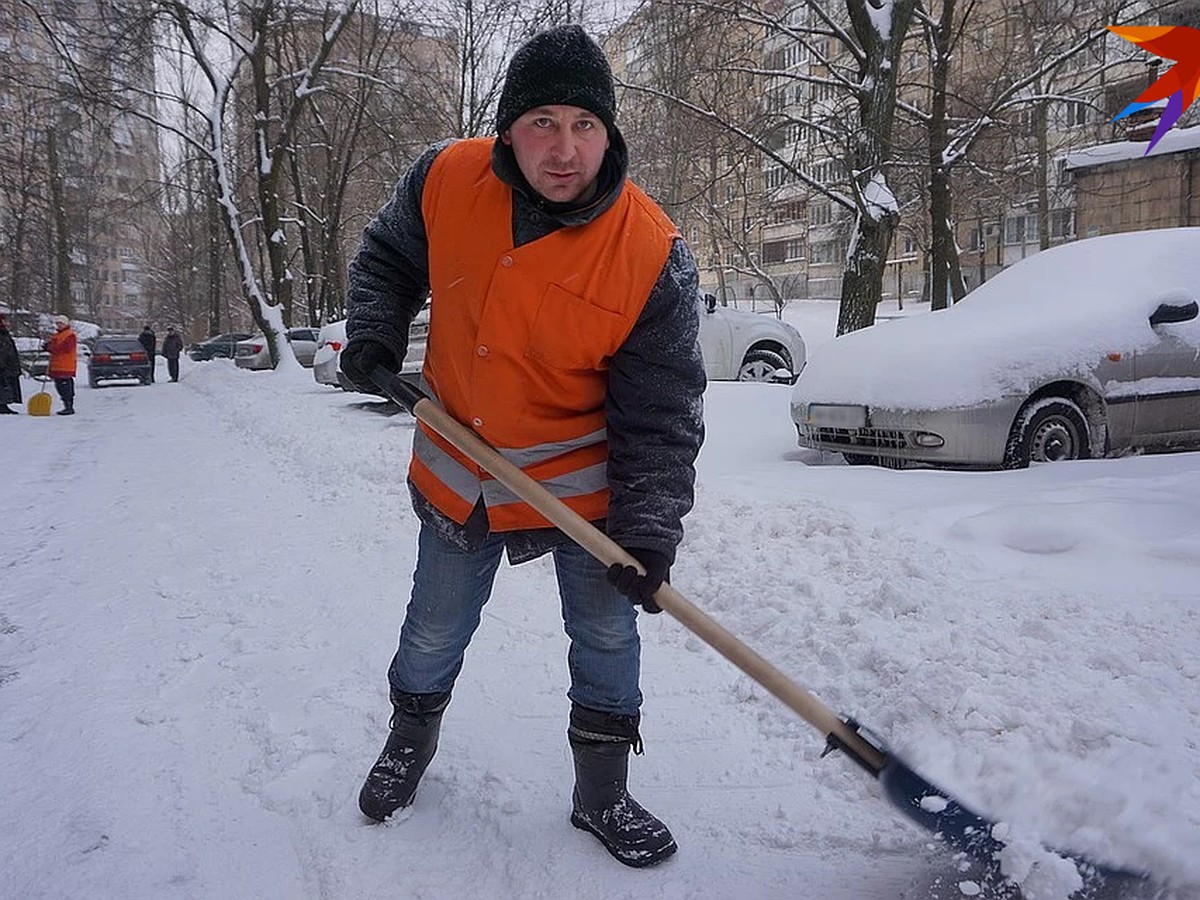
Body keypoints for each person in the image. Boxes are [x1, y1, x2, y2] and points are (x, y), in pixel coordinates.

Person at [341, 24, 706, 869]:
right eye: (542, 121)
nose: (565, 148)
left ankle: (602, 792)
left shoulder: (652, 253)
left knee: (608, 638)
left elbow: (663, 410)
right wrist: (375, 333)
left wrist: (648, 531)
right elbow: (388, 256)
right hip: (459, 470)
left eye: (585, 124)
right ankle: (410, 742)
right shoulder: (444, 177)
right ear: (507, 128)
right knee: (434, 628)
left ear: (611, 133)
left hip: (586, 493)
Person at [44, 315, 77, 415]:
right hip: (57, 366)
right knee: (60, 386)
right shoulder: (57, 335)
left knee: (65, 387)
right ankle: (66, 405)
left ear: (66, 324)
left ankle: (69, 406)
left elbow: (64, 349)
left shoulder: (70, 335)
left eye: (61, 323)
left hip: (66, 366)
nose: (59, 325)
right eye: (57, 323)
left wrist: (50, 348)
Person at [0, 313, 21, 414]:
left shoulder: (4, 332)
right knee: (3, 385)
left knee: (6, 384)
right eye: (4, 320)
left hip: (7, 364)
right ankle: (2, 405)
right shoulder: (2, 333)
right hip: (3, 365)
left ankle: (4, 404)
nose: (6, 322)